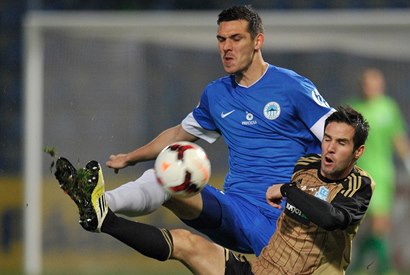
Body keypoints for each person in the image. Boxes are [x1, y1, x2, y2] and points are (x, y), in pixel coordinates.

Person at [103, 5, 334, 255]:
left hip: (286, 221)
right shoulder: (217, 95)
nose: (227, 47)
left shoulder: (293, 87)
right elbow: (178, 135)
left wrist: (335, 194)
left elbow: (340, 139)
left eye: (236, 39)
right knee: (166, 176)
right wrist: (130, 158)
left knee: (188, 247)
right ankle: (101, 205)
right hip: (235, 211)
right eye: (221, 40)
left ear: (258, 41)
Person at [54, 106, 374, 275]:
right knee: (185, 243)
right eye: (327, 138)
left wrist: (290, 192)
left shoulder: (360, 185)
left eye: (341, 143)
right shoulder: (305, 163)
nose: (330, 148)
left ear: (357, 152)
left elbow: (333, 218)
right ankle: (103, 217)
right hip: (258, 269)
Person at [348, 68, 410, 274]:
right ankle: (380, 269)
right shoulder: (351, 109)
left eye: (374, 84)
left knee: (379, 226)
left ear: (381, 86)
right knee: (363, 227)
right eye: (366, 83)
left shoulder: (388, 108)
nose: (370, 88)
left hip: (383, 175)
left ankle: (365, 269)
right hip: (357, 175)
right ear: (361, 86)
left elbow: (398, 138)